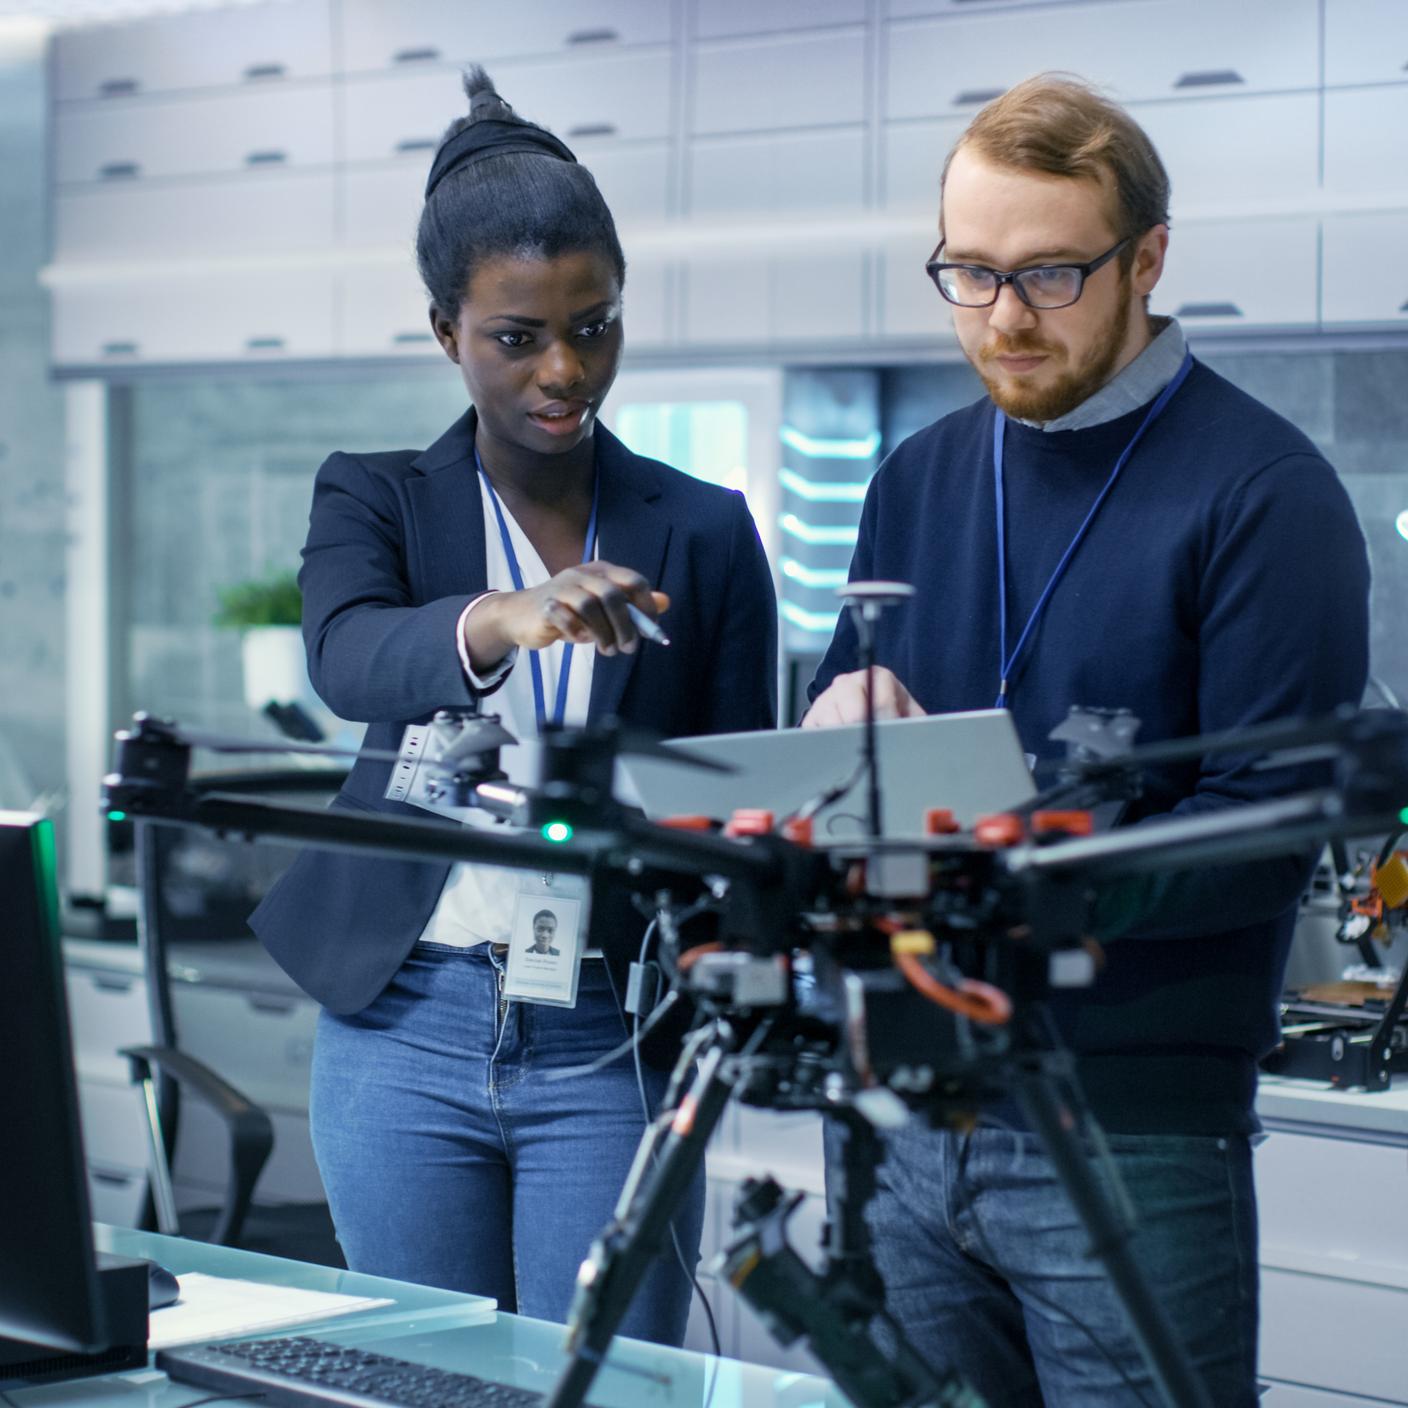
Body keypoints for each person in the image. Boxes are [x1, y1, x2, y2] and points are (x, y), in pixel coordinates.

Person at [805, 75, 1369, 1406]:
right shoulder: (918, 477)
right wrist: (838, 734)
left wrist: (1007, 862)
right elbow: (845, 730)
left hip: (1129, 1131)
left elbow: (1265, 838)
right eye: (969, 273)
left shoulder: (1265, 493)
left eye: (1051, 274)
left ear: (1148, 259)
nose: (1003, 318)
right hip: (901, 1111)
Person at [249, 68, 777, 1344]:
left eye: (592, 326)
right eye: (516, 336)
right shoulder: (375, 496)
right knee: (420, 1370)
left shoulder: (700, 530)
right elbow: (349, 654)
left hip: (608, 1030)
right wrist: (506, 614)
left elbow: (738, 791)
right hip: (401, 1025)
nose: (562, 369)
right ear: (447, 332)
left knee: (604, 1380)